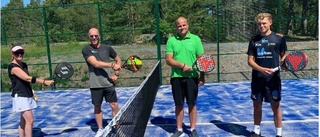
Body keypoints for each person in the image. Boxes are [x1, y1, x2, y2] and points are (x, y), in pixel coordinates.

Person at [247, 13, 287, 137]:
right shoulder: (254, 40)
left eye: (264, 23)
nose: (262, 26)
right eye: (259, 24)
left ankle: (279, 134)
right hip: (257, 79)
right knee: (257, 105)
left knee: (275, 106)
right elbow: (250, 61)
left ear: (270, 22)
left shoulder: (279, 39)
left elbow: (284, 55)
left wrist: (283, 63)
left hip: (273, 80)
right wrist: (261, 69)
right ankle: (256, 131)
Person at [165, 16, 205, 137]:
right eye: (179, 25)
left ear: (187, 25)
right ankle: (179, 129)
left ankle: (192, 129)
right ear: (176, 27)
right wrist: (182, 65)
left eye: (183, 25)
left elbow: (202, 60)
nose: (182, 27)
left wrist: (202, 76)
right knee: (179, 104)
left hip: (192, 78)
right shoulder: (171, 41)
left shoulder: (195, 39)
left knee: (192, 104)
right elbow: (168, 60)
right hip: (176, 77)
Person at [82, 27, 122, 137]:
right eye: (91, 36)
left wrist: (116, 74)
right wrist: (112, 65)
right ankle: (100, 129)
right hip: (95, 84)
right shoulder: (86, 49)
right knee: (97, 107)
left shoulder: (107, 48)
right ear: (89, 37)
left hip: (109, 83)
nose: (94, 38)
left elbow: (118, 59)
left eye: (96, 35)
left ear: (99, 36)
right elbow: (95, 64)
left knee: (114, 105)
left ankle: (117, 128)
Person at [8, 45, 54, 137]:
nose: (20, 54)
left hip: (27, 94)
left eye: (21, 52)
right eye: (17, 53)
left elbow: (25, 81)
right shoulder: (12, 67)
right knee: (30, 120)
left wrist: (32, 91)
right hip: (20, 96)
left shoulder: (24, 65)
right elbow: (27, 78)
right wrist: (44, 81)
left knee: (23, 121)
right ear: (12, 54)